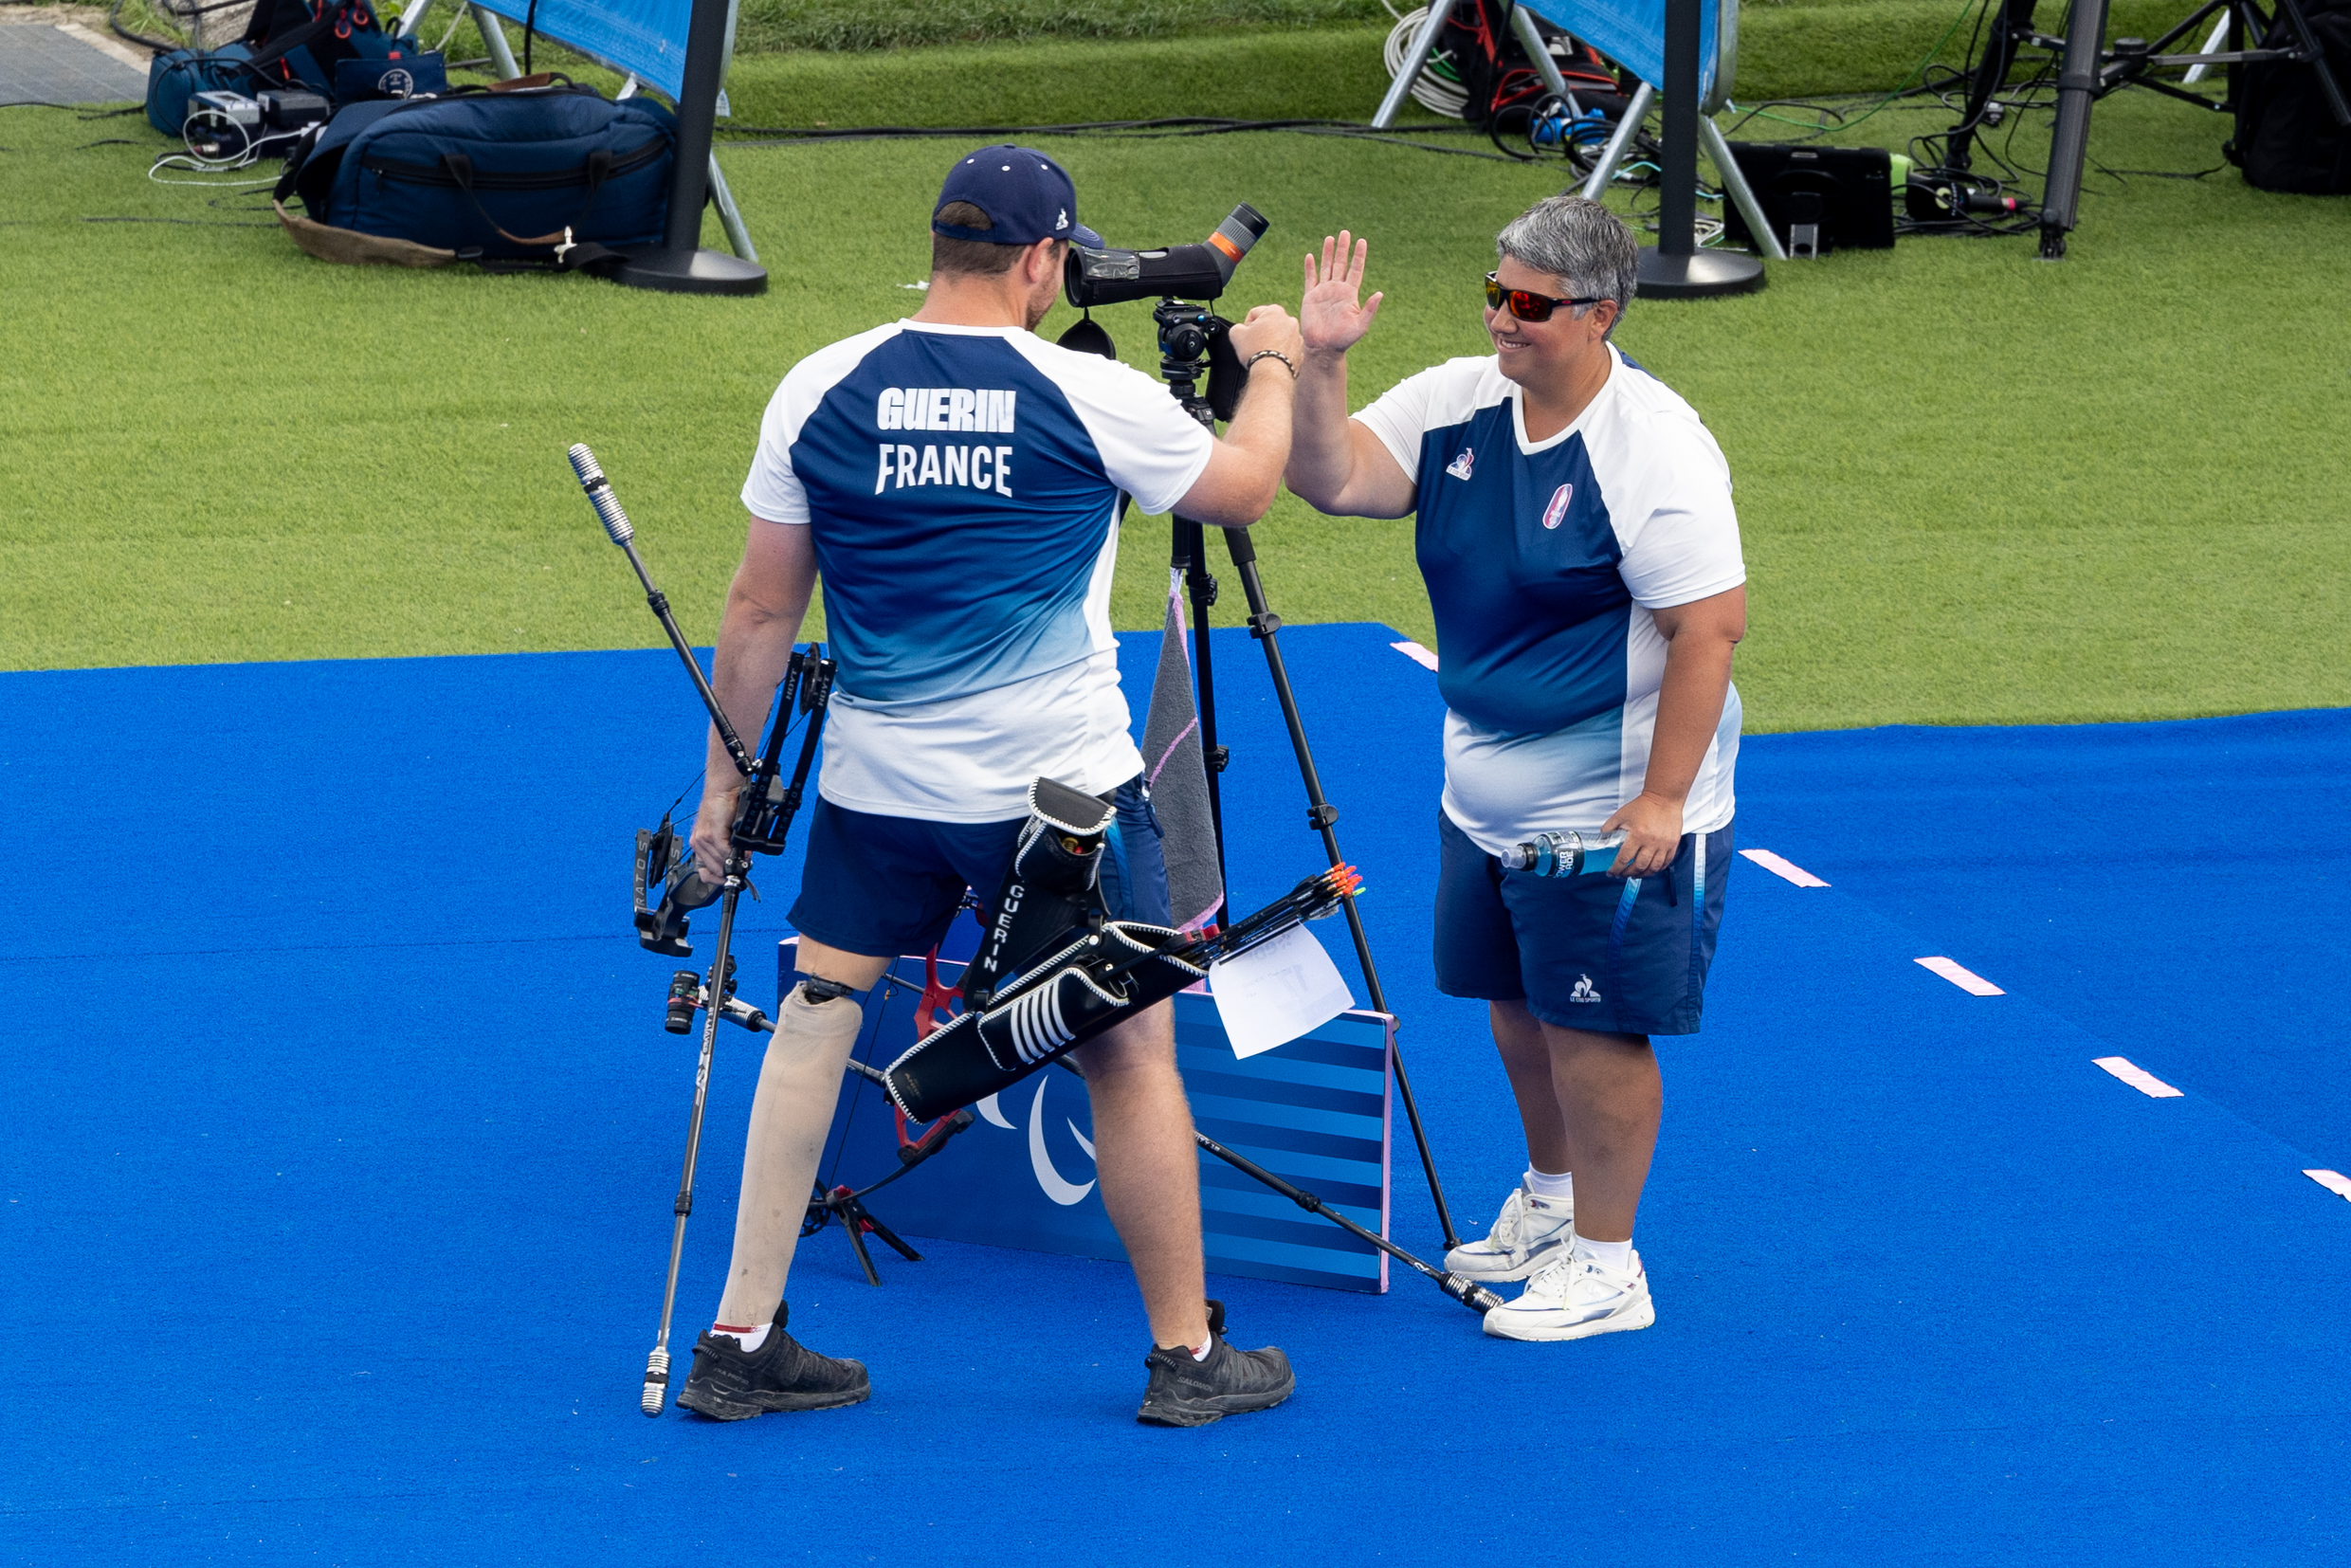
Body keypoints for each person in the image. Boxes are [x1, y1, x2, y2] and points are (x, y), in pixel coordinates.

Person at [673, 145, 1308, 1424]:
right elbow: (1245, 485)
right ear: (1040, 260)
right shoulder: (1083, 388)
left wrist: (719, 795)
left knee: (813, 1016)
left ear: (941, 246)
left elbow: (755, 611)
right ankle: (1186, 1357)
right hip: (1060, 800)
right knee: (1127, 1051)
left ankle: (739, 1336)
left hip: (877, 784)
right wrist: (1280, 359)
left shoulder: (819, 384)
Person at [1284, 194, 1746, 1342]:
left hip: (1607, 805)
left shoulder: (1652, 447)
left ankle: (1608, 1263)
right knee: (1513, 1005)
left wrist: (1660, 801)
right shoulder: (1456, 402)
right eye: (1493, 293)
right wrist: (1323, 366)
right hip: (1480, 792)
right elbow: (1333, 480)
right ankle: (1548, 1204)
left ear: (1597, 316)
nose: (1500, 318)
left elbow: (1710, 629)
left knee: (1592, 1028)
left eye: (1527, 304)